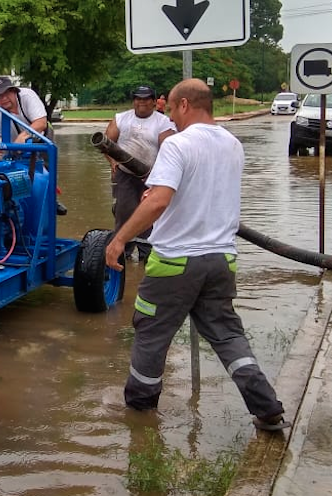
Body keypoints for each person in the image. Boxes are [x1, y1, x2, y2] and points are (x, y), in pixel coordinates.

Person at [104, 79, 289, 431]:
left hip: (175, 261)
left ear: (185, 104)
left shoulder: (177, 144)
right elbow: (197, 191)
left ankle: (140, 417)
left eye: (171, 109)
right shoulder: (233, 144)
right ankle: (266, 407)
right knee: (227, 334)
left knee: (150, 333)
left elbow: (158, 200)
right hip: (221, 259)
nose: (170, 117)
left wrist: (118, 240)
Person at [104, 85, 175, 260]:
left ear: (153, 102)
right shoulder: (121, 119)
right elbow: (106, 143)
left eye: (146, 99)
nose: (141, 102)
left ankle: (147, 254)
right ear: (133, 101)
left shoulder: (163, 122)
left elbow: (169, 150)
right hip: (125, 173)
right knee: (124, 211)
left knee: (150, 212)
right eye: (138, 99)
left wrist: (160, 174)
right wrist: (112, 162)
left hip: (152, 175)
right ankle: (122, 253)